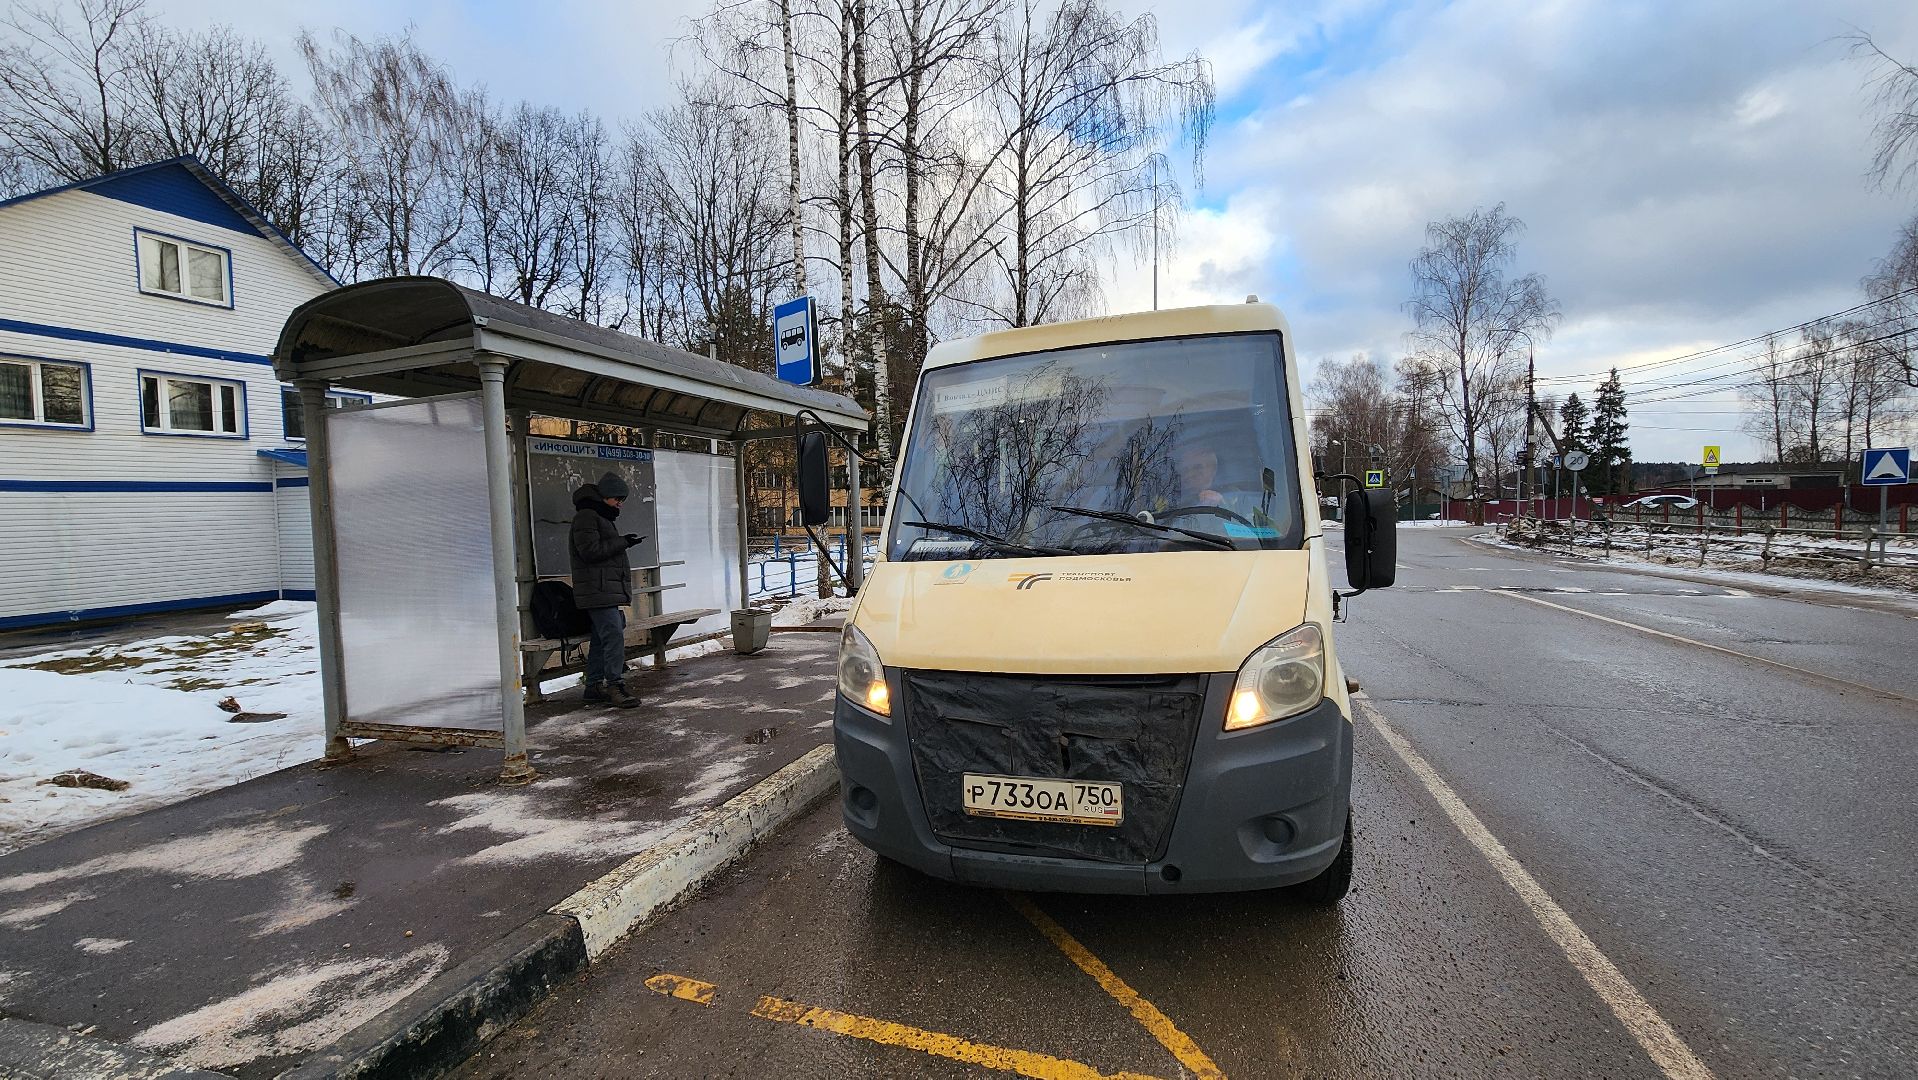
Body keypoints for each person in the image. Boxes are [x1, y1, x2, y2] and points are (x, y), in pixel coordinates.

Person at [570, 472, 644, 708]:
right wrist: (622, 542)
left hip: (602, 589)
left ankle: (593, 686)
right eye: (617, 499)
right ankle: (615, 684)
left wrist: (623, 541)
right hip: (597, 590)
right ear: (605, 496)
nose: (620, 504)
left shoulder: (598, 516)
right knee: (613, 636)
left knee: (604, 639)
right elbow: (590, 551)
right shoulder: (587, 517)